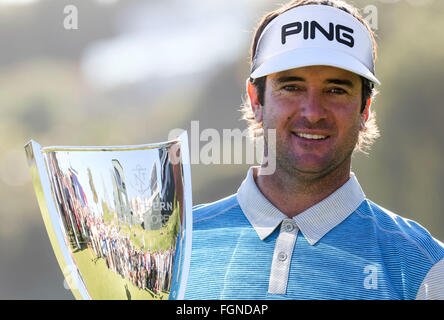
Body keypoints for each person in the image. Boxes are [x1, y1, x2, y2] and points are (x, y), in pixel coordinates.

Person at [183, 0, 444, 300]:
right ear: (256, 100)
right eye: (291, 87)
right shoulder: (176, 248)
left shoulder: (426, 269)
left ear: (365, 109)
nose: (313, 112)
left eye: (336, 90)